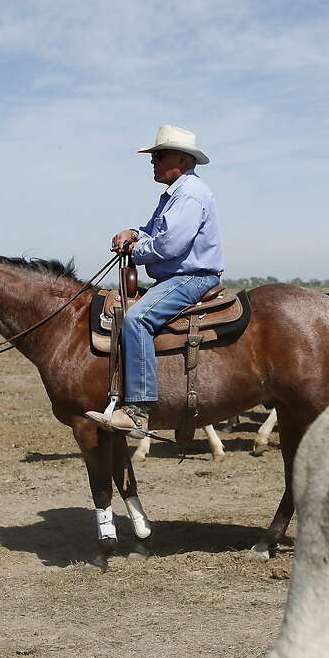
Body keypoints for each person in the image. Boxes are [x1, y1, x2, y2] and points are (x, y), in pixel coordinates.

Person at [86, 124, 224, 435]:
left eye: (159, 155)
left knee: (136, 320)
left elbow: (169, 245)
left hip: (192, 277)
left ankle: (138, 409)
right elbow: (153, 231)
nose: (153, 161)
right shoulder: (174, 195)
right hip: (178, 276)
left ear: (184, 160)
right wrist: (133, 233)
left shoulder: (190, 195)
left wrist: (136, 249)